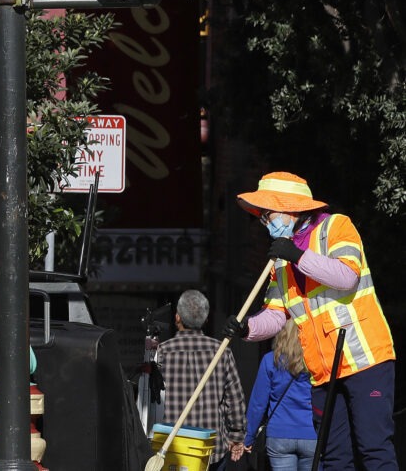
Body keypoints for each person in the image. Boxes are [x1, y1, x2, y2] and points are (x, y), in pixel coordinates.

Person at [226, 172, 397, 470]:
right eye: (263, 218)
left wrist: (296, 255)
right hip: (323, 371)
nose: (265, 223)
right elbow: (277, 314)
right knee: (333, 458)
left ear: (291, 209)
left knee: (374, 450)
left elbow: (346, 276)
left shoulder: (336, 227)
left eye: (268, 215)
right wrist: (247, 328)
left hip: (364, 360)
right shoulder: (280, 260)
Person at [157, 290, 247, 471]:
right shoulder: (221, 351)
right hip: (211, 449)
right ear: (206, 320)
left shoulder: (162, 352)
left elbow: (151, 400)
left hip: (173, 448)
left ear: (177, 318)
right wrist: (237, 437)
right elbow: (235, 399)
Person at [244, 319, 316, 471]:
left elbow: (258, 403)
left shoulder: (270, 360)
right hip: (312, 433)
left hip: (279, 434)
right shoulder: (316, 361)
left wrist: (248, 437)